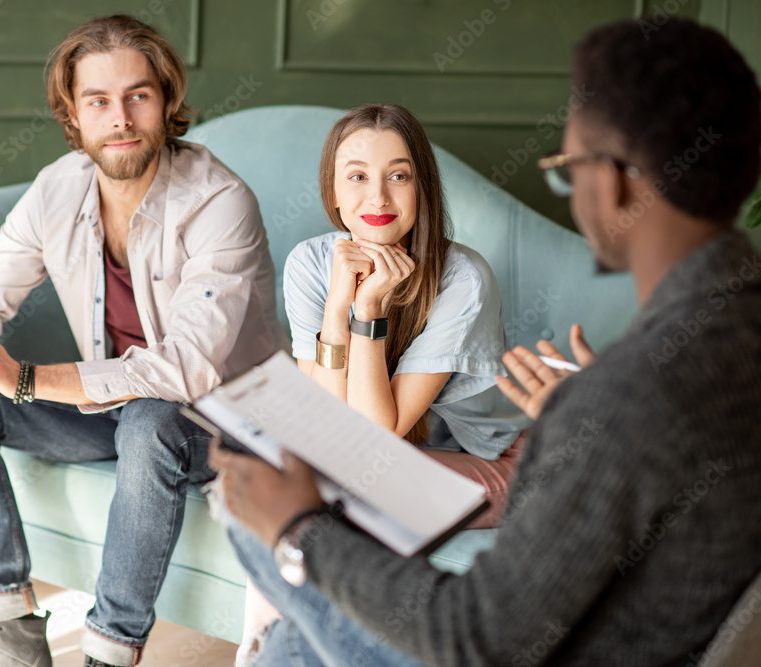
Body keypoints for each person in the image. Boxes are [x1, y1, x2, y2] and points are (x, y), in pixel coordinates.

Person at [211, 16, 761, 666]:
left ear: (609, 182)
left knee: (251, 514)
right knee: (292, 643)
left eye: (567, 170)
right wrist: (575, 420)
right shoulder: (730, 334)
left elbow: (476, 639)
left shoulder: (629, 390)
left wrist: (301, 530)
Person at [0, 14, 283, 667]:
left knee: (149, 419)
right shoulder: (56, 190)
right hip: (115, 408)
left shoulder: (219, 200)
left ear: (166, 101)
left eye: (138, 95)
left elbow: (185, 367)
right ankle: (9, 632)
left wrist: (26, 379)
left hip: (226, 421)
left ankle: (109, 651)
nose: (121, 117)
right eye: (99, 101)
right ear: (73, 116)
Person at [236, 103, 531, 662]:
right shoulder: (310, 263)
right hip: (385, 461)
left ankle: (264, 648)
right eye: (357, 177)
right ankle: (263, 643)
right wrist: (338, 303)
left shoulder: (463, 278)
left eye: (399, 175)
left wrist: (367, 307)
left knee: (330, 489)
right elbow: (322, 426)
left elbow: (376, 436)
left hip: (499, 467)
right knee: (283, 473)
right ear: (334, 192)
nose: (378, 198)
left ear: (422, 189)